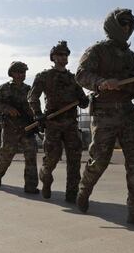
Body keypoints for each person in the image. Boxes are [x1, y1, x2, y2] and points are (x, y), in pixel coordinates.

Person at [75, 8, 134, 227]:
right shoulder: (97, 50)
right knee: (100, 161)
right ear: (113, 25)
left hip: (128, 113)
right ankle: (83, 190)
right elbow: (81, 74)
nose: (127, 28)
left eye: (129, 24)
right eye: (123, 23)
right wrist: (100, 82)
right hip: (105, 113)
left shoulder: (131, 56)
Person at [28, 41, 89, 202]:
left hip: (71, 123)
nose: (64, 57)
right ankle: (45, 178)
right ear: (53, 57)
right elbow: (33, 97)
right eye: (60, 54)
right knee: (52, 158)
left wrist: (84, 101)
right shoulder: (44, 76)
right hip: (53, 122)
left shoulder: (73, 78)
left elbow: (81, 97)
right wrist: (38, 114)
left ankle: (71, 194)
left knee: (74, 160)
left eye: (66, 54)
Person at [0, 61, 39, 193]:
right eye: (19, 72)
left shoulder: (29, 89)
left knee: (31, 155)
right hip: (10, 128)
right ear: (12, 73)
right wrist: (7, 108)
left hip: (27, 128)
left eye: (23, 72)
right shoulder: (3, 89)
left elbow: (35, 105)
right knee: (6, 154)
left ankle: (31, 185)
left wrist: (35, 115)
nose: (22, 75)